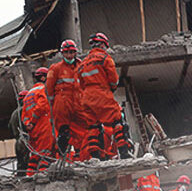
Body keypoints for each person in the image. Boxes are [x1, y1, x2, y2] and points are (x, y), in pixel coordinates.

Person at [76, 32, 131, 160]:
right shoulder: (105, 58)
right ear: (103, 44)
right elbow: (113, 80)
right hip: (101, 93)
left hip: (87, 98)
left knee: (92, 126)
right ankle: (123, 152)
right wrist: (110, 89)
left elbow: (81, 84)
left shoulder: (82, 64)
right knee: (117, 120)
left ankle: (95, 156)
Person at [45, 40, 84, 160]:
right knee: (64, 133)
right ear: (62, 54)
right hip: (62, 104)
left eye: (71, 52)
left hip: (78, 103)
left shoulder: (81, 67)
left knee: (81, 133)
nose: (69, 55)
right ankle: (62, 158)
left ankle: (80, 157)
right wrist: (53, 105)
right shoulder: (56, 68)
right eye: (67, 53)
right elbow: (49, 89)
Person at [22, 67, 55, 175]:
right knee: (45, 154)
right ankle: (42, 177)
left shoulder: (28, 95)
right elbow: (42, 106)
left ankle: (29, 176)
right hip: (43, 126)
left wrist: (28, 124)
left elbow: (24, 115)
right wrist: (34, 121)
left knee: (35, 156)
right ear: (43, 78)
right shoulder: (42, 89)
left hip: (33, 130)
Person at [10, 90, 30, 176]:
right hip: (25, 140)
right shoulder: (24, 111)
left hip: (18, 141)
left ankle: (21, 179)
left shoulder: (14, 113)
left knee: (21, 163)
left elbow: (10, 127)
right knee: (28, 162)